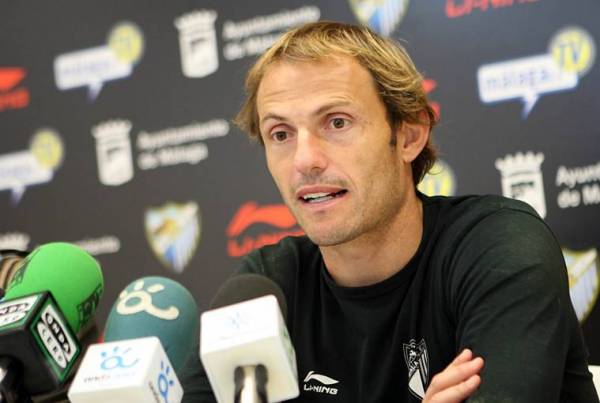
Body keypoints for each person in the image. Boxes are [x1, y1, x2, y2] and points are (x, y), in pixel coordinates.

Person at [180, 21, 598, 402]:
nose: (304, 161)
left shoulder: (497, 247)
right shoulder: (265, 287)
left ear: (409, 135)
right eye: (281, 134)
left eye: (337, 122)